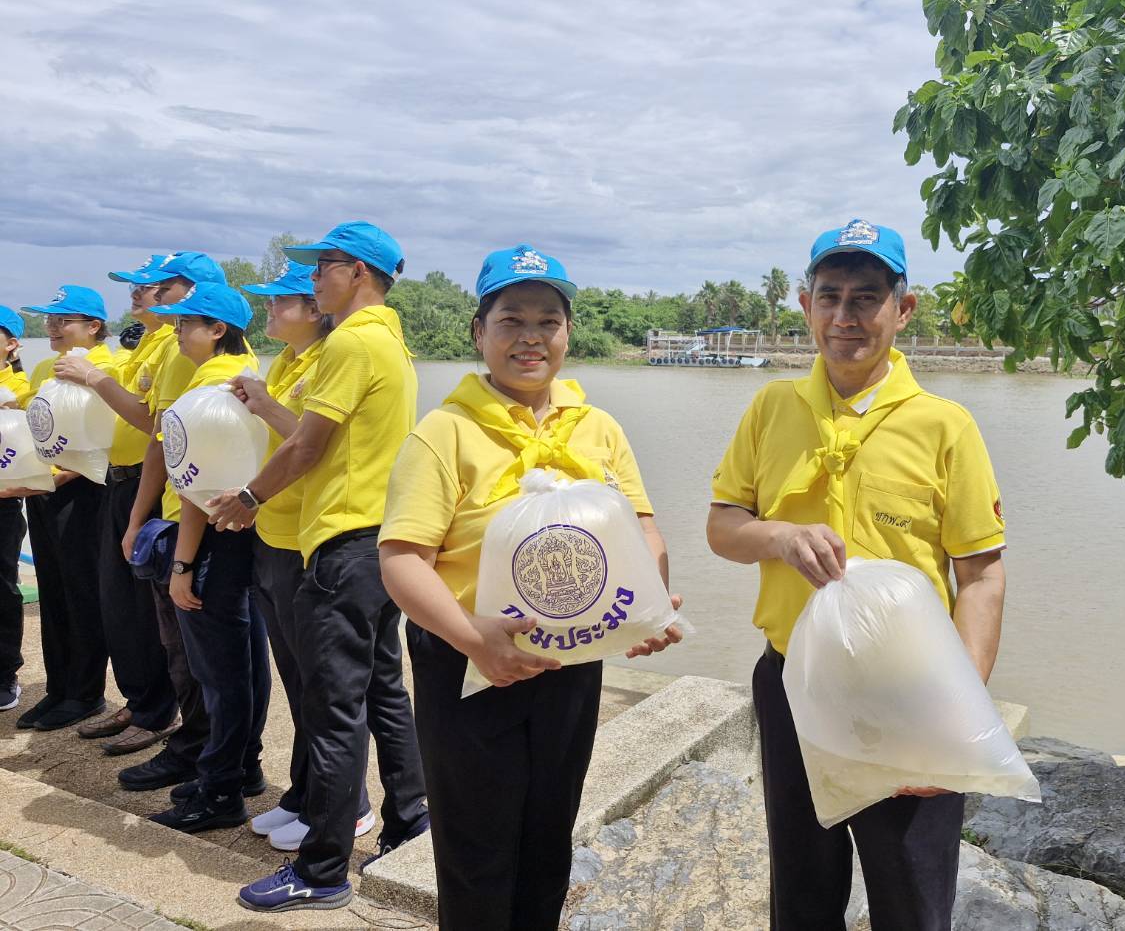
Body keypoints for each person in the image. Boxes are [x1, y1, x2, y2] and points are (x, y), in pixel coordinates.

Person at [706, 219, 1008, 931]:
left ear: (902, 310)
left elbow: (982, 577)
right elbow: (722, 527)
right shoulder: (770, 408)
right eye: (830, 296)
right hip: (792, 682)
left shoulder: (945, 426)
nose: (845, 317)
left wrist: (953, 717)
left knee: (910, 894)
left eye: (866, 298)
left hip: (907, 693)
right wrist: (777, 536)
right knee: (803, 888)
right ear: (805, 306)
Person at [377, 245, 683, 930]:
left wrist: (650, 609)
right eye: (511, 319)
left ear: (568, 333)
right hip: (468, 664)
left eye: (548, 321)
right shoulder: (444, 434)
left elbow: (643, 532)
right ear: (478, 332)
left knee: (548, 838)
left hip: (570, 664)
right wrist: (474, 640)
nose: (530, 337)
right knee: (476, 850)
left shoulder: (597, 428)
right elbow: (400, 559)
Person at [211, 222, 427, 914]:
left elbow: (306, 445)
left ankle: (323, 869)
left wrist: (248, 498)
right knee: (384, 694)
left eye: (321, 267)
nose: (311, 280)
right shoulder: (387, 341)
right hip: (380, 542)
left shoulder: (355, 343)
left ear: (357, 272)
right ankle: (411, 821)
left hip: (341, 545)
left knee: (334, 713)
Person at [234, 263, 374, 850]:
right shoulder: (288, 360)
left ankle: (348, 806)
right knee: (297, 680)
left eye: (278, 302)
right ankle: (303, 791)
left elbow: (310, 444)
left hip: (306, 536)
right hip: (275, 532)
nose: (267, 311)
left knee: (324, 687)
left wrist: (264, 405)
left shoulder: (334, 356)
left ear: (313, 311)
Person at [143, 282, 271, 833]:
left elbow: (199, 491)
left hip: (215, 538)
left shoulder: (212, 390)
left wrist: (181, 565)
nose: (175, 334)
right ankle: (240, 769)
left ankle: (221, 791)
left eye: (184, 325)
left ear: (217, 330)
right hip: (244, 536)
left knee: (220, 672)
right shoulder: (247, 375)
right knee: (244, 661)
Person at [108, 252, 230, 794]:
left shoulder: (196, 363)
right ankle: (207, 753)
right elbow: (164, 441)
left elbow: (171, 446)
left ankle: (207, 757)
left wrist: (150, 528)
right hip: (184, 512)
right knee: (189, 646)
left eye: (154, 287)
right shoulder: (188, 354)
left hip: (197, 517)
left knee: (200, 649)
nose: (142, 295)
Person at [52, 255, 180, 756]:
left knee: (146, 608)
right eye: (135, 285)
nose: (135, 292)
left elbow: (155, 427)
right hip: (119, 478)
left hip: (146, 484)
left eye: (147, 286)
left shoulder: (172, 345)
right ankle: (139, 698)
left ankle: (155, 710)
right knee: (120, 603)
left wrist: (94, 378)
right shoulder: (147, 342)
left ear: (180, 292)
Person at [11, 286, 115, 731]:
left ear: (93, 326)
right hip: (43, 491)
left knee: (83, 593)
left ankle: (86, 692)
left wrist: (58, 476)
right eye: (49, 320)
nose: (52, 328)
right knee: (53, 592)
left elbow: (106, 441)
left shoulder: (110, 367)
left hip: (85, 492)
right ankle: (58, 688)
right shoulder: (40, 368)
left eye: (63, 320)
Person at [0, 306, 30, 712]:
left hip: (3, 502)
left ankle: (5, 672)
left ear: (12, 344)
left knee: (2, 586)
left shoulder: (21, 387)